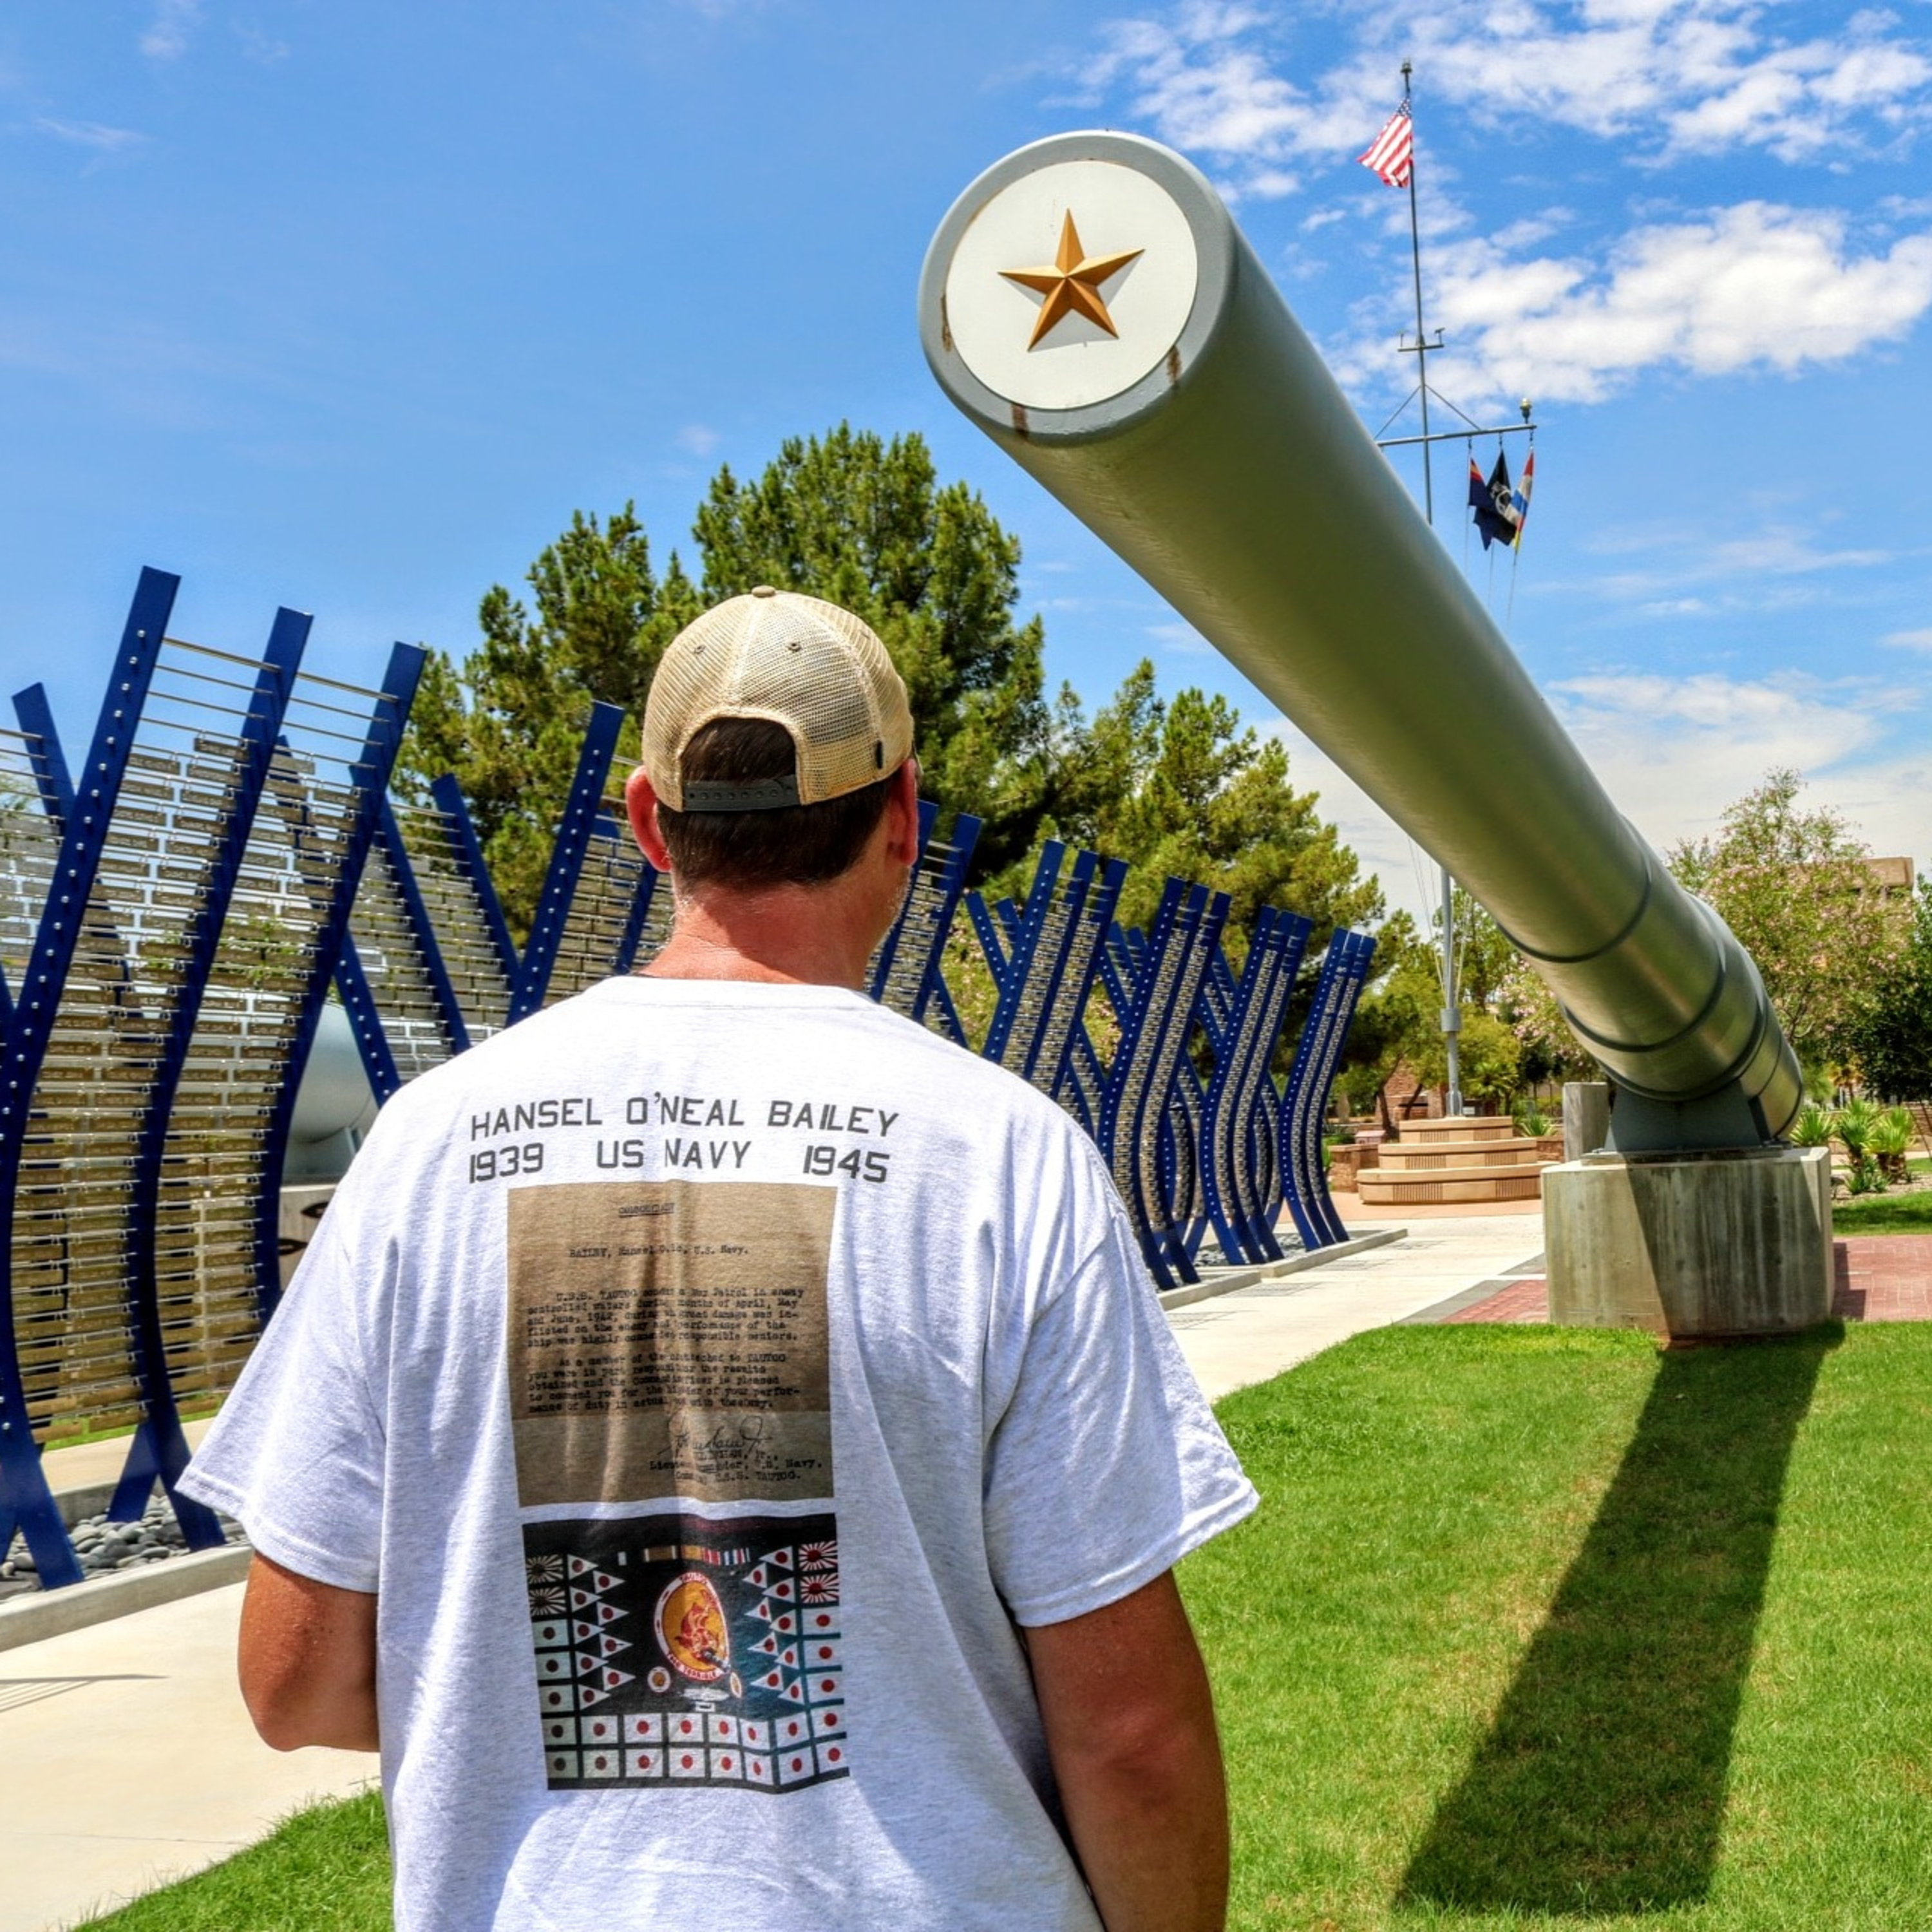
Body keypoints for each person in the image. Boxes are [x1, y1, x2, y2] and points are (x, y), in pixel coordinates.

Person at [183, 585, 1258, 1932]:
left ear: (648, 821)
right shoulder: (1004, 1157)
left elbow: (295, 1684)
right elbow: (1131, 1733)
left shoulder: (423, 1149)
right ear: (904, 815)